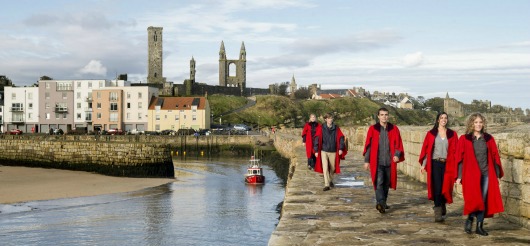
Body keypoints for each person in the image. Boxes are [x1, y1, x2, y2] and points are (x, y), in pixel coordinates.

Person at [456, 113, 503, 236]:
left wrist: (497, 175)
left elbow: (494, 157)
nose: (478, 124)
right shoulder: (464, 139)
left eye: (480, 122)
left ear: (483, 124)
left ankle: (479, 226)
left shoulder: (488, 138)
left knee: (482, 199)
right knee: (473, 199)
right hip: (470, 175)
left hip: (486, 174)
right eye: (476, 122)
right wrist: (459, 176)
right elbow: (460, 159)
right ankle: (470, 218)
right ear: (471, 123)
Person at [363, 108, 404, 213]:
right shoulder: (373, 129)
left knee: (386, 184)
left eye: (386, 114)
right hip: (377, 162)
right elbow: (368, 146)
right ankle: (380, 203)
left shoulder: (394, 129)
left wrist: (397, 155)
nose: (384, 116)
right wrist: (367, 161)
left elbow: (398, 144)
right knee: (379, 182)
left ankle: (383, 203)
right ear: (378, 116)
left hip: (390, 162)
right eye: (382, 115)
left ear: (388, 116)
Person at [418, 112, 458, 222]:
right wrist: (423, 164)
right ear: (438, 120)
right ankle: (438, 212)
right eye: (441, 118)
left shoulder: (452, 134)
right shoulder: (431, 134)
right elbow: (427, 150)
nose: (444, 120)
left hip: (448, 164)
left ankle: (442, 204)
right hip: (435, 163)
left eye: (445, 118)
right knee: (437, 188)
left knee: (446, 187)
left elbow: (456, 152)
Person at [313, 113, 347, 191]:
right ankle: (326, 184)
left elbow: (341, 138)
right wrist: (316, 150)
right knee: (325, 168)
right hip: (323, 151)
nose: (330, 120)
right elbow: (317, 139)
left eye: (331, 118)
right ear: (325, 119)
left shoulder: (336, 128)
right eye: (328, 118)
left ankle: (330, 180)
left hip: (333, 151)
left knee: (333, 168)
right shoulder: (321, 128)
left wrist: (341, 148)